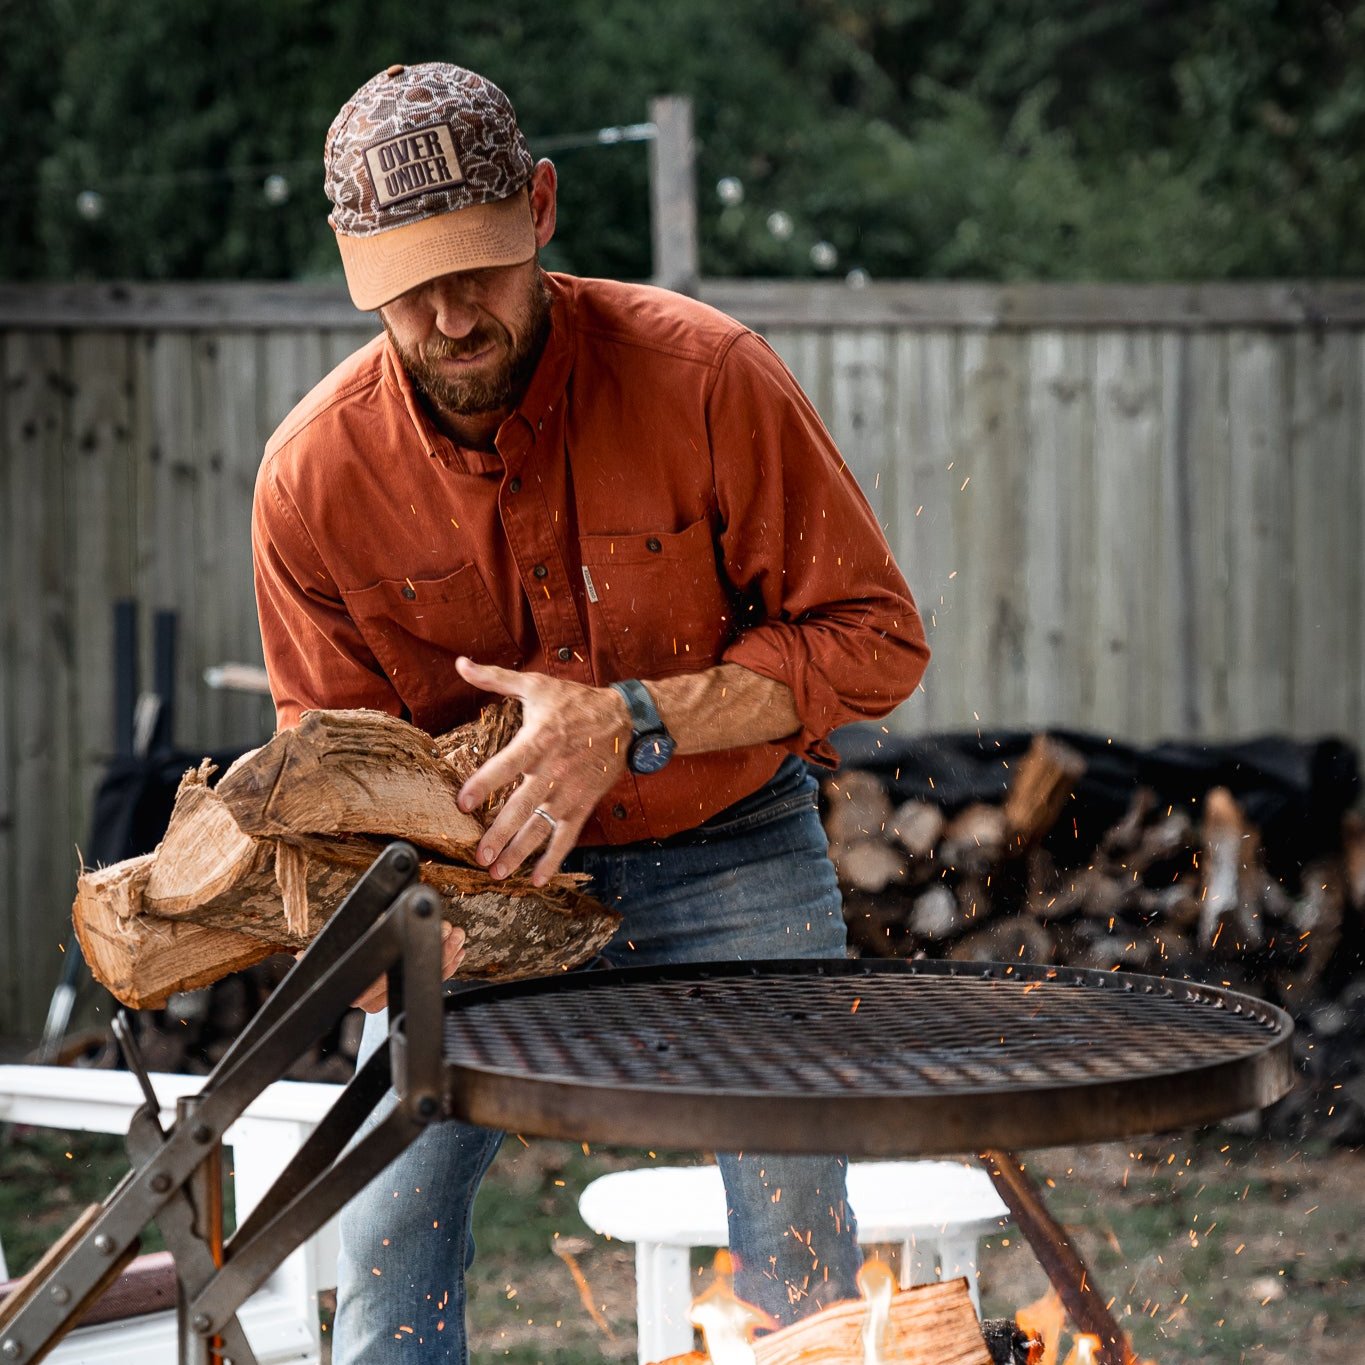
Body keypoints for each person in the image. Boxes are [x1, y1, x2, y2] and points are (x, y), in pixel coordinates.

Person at [252, 60, 929, 1364]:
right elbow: (323, 762)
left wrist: (627, 717)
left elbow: (877, 641)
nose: (451, 318)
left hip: (733, 845)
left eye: (478, 270)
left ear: (543, 207)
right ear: (351, 268)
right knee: (384, 1236)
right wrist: (385, 905)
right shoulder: (311, 478)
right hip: (461, 886)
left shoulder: (711, 378)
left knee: (797, 1247)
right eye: (409, 286)